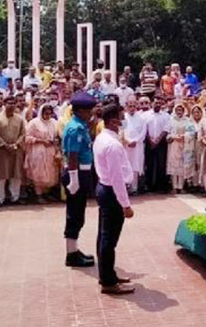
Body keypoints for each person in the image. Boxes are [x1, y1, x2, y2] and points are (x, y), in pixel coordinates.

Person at [91, 102, 136, 294]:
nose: (124, 120)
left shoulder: (103, 138)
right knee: (109, 238)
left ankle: (107, 273)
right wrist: (125, 205)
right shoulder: (112, 145)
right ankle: (108, 281)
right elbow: (117, 178)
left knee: (104, 235)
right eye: (121, 117)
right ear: (113, 120)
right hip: (111, 192)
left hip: (105, 189)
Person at [61, 92, 97, 267]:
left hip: (82, 172)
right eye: (88, 111)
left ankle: (74, 249)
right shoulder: (75, 128)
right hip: (76, 173)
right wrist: (74, 179)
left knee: (78, 213)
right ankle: (71, 254)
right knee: (74, 214)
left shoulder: (80, 125)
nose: (90, 114)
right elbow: (73, 155)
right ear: (79, 111)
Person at [0, 96, 26, 205]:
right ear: (4, 104)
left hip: (15, 150)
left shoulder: (19, 119)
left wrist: (15, 144)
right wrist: (4, 145)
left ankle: (15, 198)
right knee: (1, 175)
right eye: (9, 103)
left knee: (16, 174)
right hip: (1, 151)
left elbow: (23, 134)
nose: (11, 106)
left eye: (13, 103)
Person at [24, 104, 60, 200]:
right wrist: (41, 141)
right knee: (38, 173)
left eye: (50, 114)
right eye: (46, 114)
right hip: (38, 151)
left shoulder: (54, 122)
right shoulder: (34, 123)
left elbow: (57, 135)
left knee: (50, 172)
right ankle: (38, 194)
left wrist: (55, 141)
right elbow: (26, 137)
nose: (48, 116)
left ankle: (46, 193)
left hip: (51, 151)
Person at [167, 104, 197, 193]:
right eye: (177, 110)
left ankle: (181, 186)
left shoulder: (187, 121)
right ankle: (174, 186)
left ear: (184, 111)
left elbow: (191, 132)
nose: (179, 111)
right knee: (173, 165)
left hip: (184, 145)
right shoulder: (170, 120)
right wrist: (174, 137)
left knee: (183, 165)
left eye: (181, 110)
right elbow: (167, 132)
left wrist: (183, 136)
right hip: (174, 145)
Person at [144, 98, 170, 193]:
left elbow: (166, 129)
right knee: (149, 164)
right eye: (156, 103)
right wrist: (150, 140)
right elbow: (144, 129)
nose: (158, 104)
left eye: (160, 103)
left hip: (161, 143)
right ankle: (149, 186)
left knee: (161, 165)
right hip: (148, 142)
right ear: (151, 103)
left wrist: (158, 140)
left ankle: (161, 187)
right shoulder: (146, 115)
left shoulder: (166, 115)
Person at [122, 97, 147, 194]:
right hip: (126, 145)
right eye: (130, 106)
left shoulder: (141, 118)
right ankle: (126, 186)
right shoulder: (123, 117)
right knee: (126, 165)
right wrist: (127, 141)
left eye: (133, 106)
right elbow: (122, 131)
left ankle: (134, 188)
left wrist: (135, 141)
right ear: (126, 106)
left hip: (137, 146)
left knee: (135, 166)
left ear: (136, 106)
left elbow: (143, 132)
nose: (132, 108)